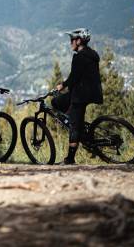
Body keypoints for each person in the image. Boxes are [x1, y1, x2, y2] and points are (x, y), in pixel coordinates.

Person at [52, 28, 103, 165]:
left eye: (72, 40)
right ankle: (76, 124)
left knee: (74, 125)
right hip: (92, 93)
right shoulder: (92, 54)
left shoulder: (79, 57)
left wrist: (62, 86)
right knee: (57, 102)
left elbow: (74, 77)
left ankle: (70, 159)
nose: (70, 43)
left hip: (80, 95)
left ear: (79, 41)